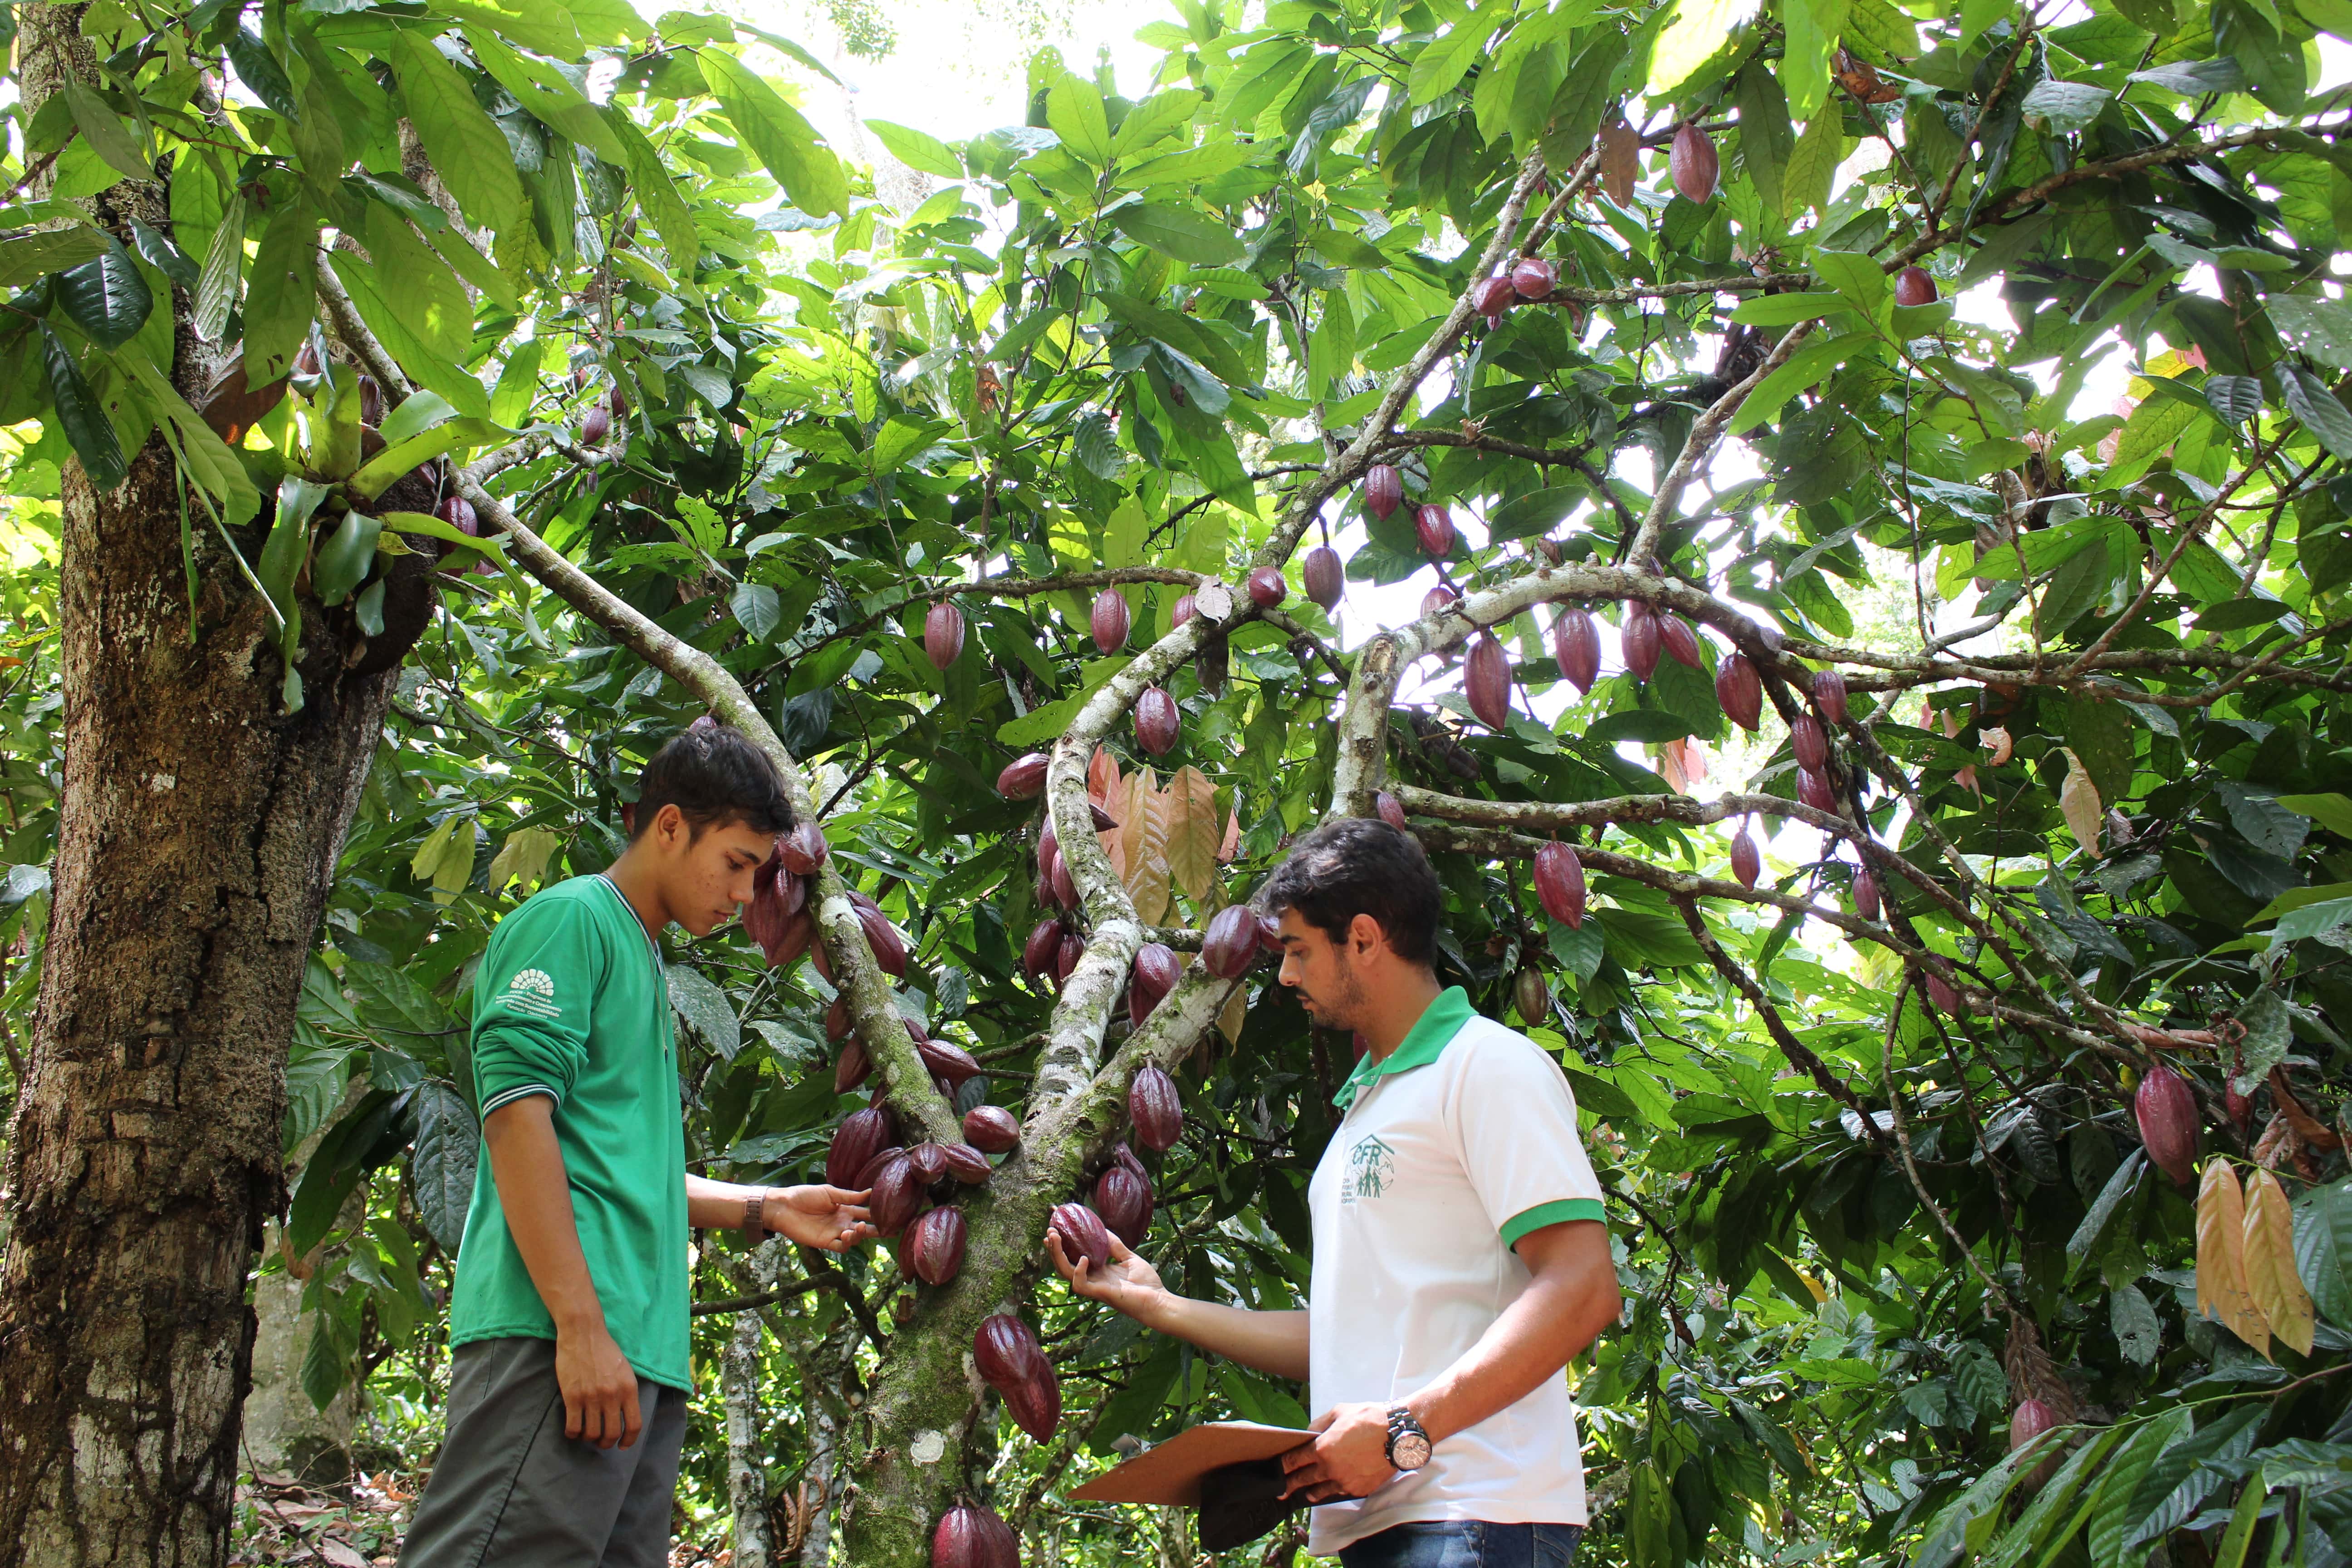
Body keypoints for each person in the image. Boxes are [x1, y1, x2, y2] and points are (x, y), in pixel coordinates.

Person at [1049, 817, 1622, 1568]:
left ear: (1363, 938)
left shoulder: (1485, 1066)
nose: (1284, 977)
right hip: (1387, 1521)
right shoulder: (1367, 1109)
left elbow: (1584, 1288)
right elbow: (1351, 1336)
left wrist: (1401, 1430)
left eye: (1296, 952)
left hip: (1476, 1512)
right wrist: (1156, 1304)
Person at [398, 724, 874, 1568]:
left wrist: (766, 1207)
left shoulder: (646, 960)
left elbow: (620, 1165)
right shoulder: (570, 922)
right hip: (556, 1340)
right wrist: (580, 1327)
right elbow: (515, 1117)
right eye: (734, 863)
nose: (743, 895)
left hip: (639, 1358)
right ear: (666, 827)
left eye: (759, 874)